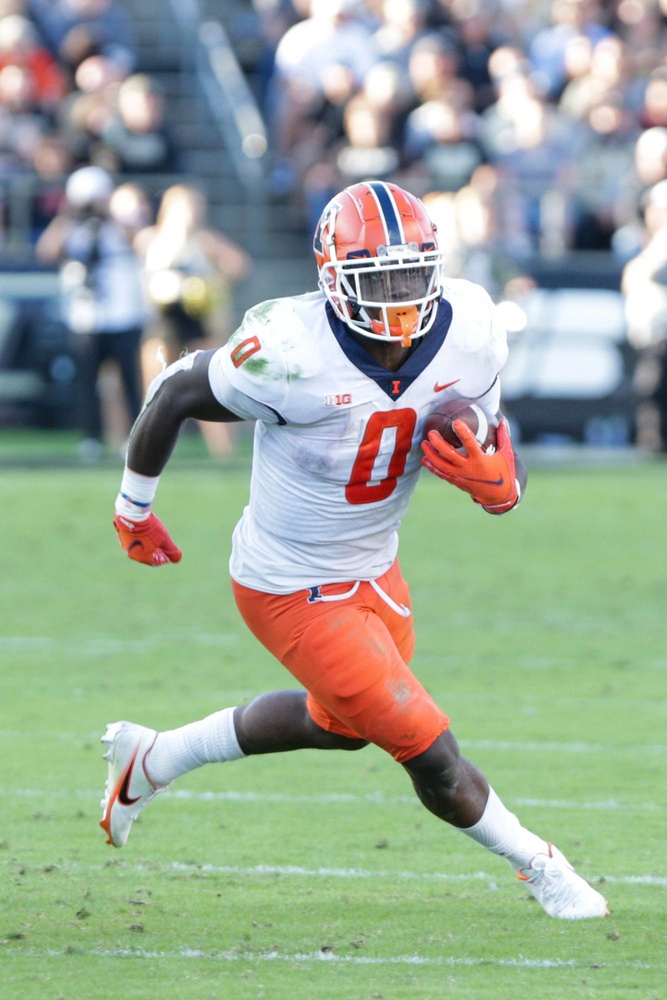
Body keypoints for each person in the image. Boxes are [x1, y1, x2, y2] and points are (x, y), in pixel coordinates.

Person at [100, 180, 609, 921]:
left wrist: (505, 486)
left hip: (374, 566)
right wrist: (132, 505)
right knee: (426, 746)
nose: (401, 299)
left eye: (412, 276)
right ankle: (539, 863)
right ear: (331, 279)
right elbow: (177, 387)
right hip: (287, 583)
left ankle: (156, 757)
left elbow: (496, 446)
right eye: (380, 282)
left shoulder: (469, 326)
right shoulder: (286, 350)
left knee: (338, 728)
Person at [35, 164, 147, 460]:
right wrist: (68, 215)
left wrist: (109, 213)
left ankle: (134, 438)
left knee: (129, 381)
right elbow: (46, 251)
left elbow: (139, 242)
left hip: (122, 314)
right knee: (87, 382)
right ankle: (91, 439)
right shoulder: (72, 227)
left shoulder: (119, 224)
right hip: (85, 316)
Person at [135, 183, 251, 459]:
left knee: (208, 389)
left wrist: (211, 286)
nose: (193, 213)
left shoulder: (205, 240)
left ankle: (224, 454)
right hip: (162, 321)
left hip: (195, 320)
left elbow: (239, 264)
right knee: (155, 390)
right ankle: (144, 451)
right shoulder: (151, 239)